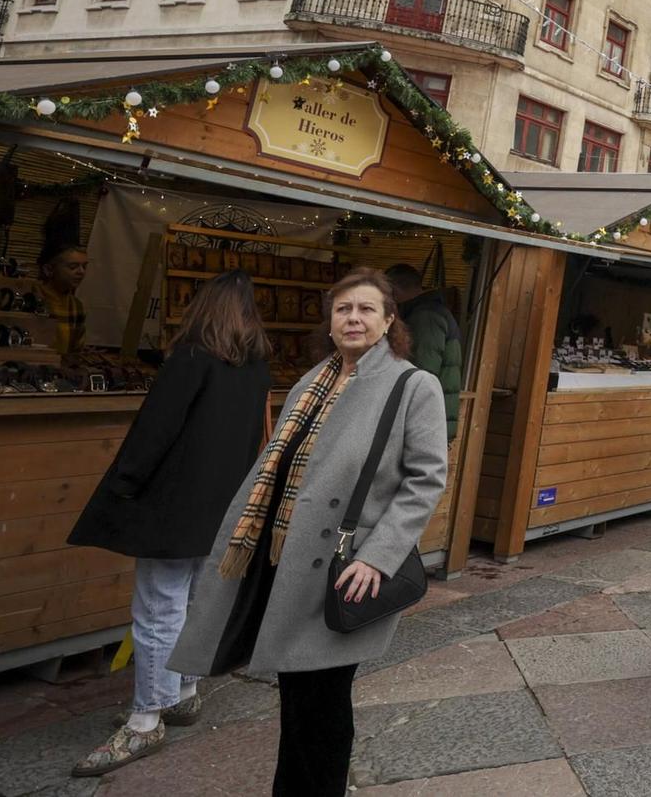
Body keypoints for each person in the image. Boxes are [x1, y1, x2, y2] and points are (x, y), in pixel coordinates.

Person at [168, 269, 447, 797]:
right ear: (331, 321)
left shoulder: (414, 386)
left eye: (367, 309)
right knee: (299, 698)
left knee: (321, 701)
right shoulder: (311, 381)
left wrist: (379, 556)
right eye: (344, 309)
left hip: (346, 565)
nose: (354, 319)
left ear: (390, 321)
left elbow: (426, 479)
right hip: (284, 556)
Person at [69, 271, 273, 777]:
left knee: (158, 607)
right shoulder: (256, 365)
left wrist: (124, 483)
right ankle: (183, 692)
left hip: (171, 505)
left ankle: (145, 719)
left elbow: (154, 429)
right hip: (220, 506)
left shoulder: (191, 356)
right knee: (195, 601)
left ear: (203, 306)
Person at [384, 265, 463, 441]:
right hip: (428, 422)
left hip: (422, 425)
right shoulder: (430, 311)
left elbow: (422, 373)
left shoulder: (425, 317)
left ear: (393, 290)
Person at [37, 242, 90, 361]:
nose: (81, 272)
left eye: (84, 266)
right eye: (73, 267)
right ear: (48, 269)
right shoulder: (34, 298)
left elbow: (76, 350)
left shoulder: (76, 306)